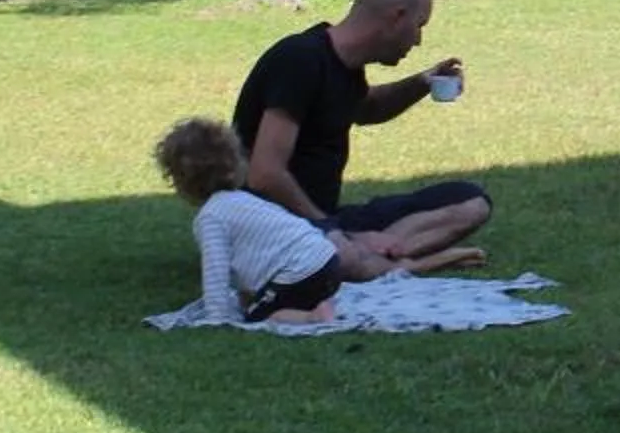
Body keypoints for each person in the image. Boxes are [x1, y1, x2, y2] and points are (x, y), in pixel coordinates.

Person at [230, 0, 494, 262]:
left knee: (471, 202)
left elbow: (368, 108)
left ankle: (377, 254)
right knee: (332, 252)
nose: (418, 40)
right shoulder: (300, 60)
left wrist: (424, 82)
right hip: (277, 227)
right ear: (397, 17)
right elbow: (265, 173)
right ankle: (383, 259)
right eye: (419, 26)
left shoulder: (346, 66)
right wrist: (328, 229)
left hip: (323, 220)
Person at [152, 117, 484, 326]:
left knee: (261, 314)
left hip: (306, 273)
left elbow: (215, 271)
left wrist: (217, 318)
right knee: (268, 296)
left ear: (181, 182)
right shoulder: (247, 202)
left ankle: (314, 315)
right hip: (326, 261)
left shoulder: (211, 217)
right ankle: (314, 300)